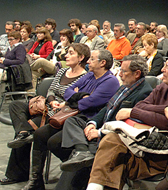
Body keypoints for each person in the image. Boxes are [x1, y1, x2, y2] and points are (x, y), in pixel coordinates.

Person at [85, 52, 168, 190]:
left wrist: (132, 112)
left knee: (111, 156)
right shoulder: (163, 86)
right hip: (145, 142)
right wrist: (165, 109)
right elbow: (141, 106)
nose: (162, 69)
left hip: (166, 153)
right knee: (112, 150)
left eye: (167, 66)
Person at [21, 48, 120, 190]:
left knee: (54, 142)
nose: (88, 61)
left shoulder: (110, 81)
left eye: (92, 59)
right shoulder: (90, 75)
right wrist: (79, 96)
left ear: (102, 63)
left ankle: (80, 171)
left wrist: (77, 97)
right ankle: (36, 180)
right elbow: (67, 91)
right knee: (40, 134)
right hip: (71, 114)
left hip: (87, 119)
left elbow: (90, 102)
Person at [0, 42, 87, 186]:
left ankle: (20, 173)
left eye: (71, 53)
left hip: (60, 112)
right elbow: (51, 90)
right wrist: (52, 100)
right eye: (67, 52)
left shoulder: (85, 77)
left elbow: (74, 98)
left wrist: (59, 103)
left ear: (81, 57)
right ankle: (23, 133)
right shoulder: (61, 72)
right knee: (16, 106)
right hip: (46, 105)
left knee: (29, 127)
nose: (66, 55)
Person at [54, 55, 153, 174]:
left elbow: (128, 126)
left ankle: (83, 161)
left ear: (137, 73)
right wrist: (93, 123)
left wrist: (100, 132)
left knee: (71, 170)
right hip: (101, 126)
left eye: (123, 71)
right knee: (72, 121)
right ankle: (82, 152)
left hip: (112, 137)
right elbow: (107, 108)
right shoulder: (124, 86)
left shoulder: (144, 93)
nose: (120, 74)